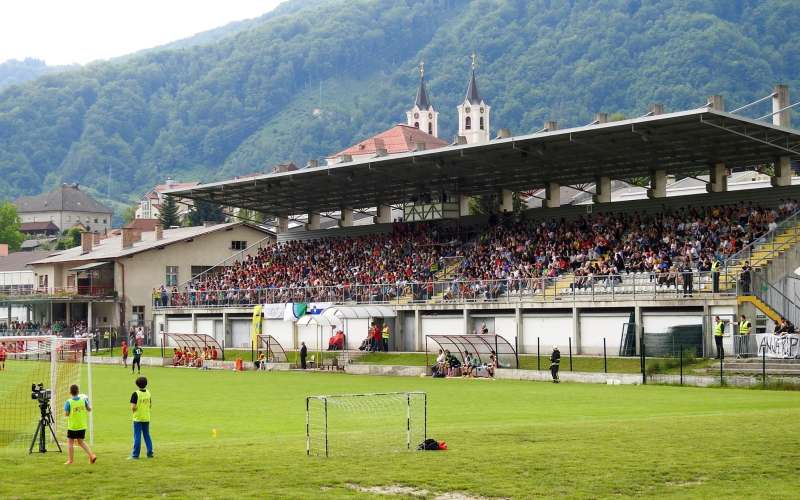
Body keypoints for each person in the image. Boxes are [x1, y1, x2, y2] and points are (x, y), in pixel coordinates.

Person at [63, 384, 97, 465]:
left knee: (70, 443)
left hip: (73, 427)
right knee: (81, 442)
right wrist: (88, 402)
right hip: (82, 426)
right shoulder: (83, 400)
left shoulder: (68, 402)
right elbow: (89, 409)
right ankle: (91, 456)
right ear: (78, 391)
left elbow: (67, 414)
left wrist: (67, 413)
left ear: (70, 392)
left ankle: (70, 460)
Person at [129, 376, 153, 459]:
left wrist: (135, 409)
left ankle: (135, 455)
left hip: (138, 418)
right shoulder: (148, 393)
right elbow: (150, 405)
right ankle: (150, 453)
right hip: (146, 417)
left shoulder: (135, 394)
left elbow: (133, 407)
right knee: (147, 435)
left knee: (137, 436)